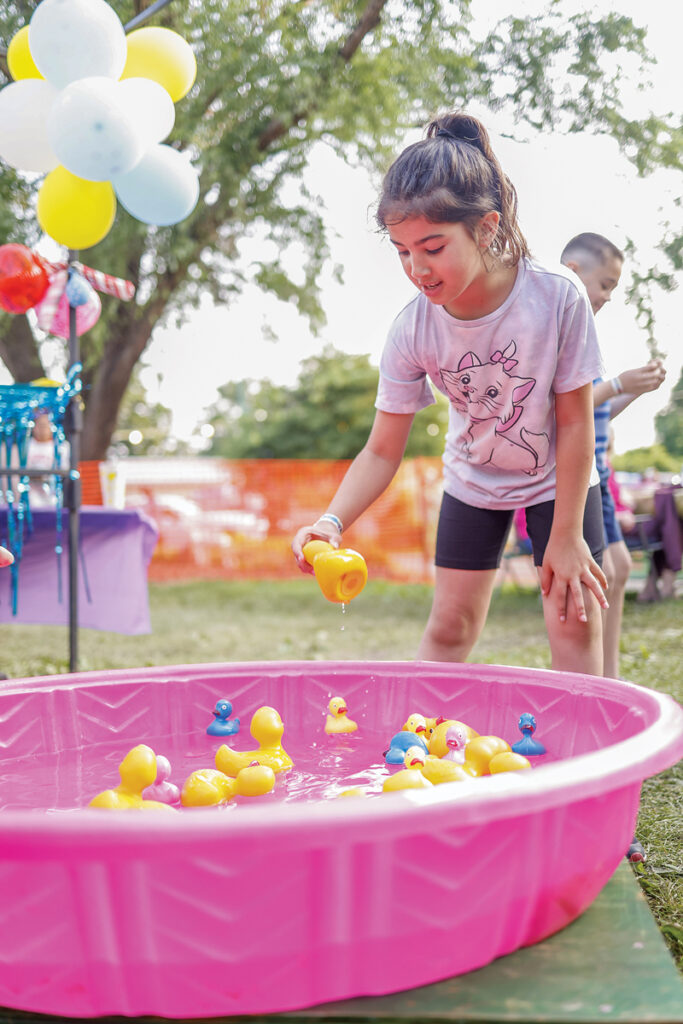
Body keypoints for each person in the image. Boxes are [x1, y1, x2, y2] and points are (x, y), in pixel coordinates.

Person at [292, 110, 609, 675]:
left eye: (433, 247)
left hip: (557, 481)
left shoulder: (558, 298)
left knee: (573, 623)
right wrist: (332, 522)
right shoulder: (412, 329)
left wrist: (564, 534)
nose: (417, 267)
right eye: (402, 250)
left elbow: (575, 423)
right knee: (449, 627)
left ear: (486, 228)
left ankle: (590, 760)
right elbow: (382, 450)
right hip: (474, 482)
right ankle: (417, 749)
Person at [560, 232, 666, 676]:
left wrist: (633, 391)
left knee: (618, 568)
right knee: (609, 571)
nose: (607, 296)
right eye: (605, 284)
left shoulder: (588, 337)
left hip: (599, 473)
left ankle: (610, 671)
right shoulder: (561, 330)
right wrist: (619, 383)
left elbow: (597, 408)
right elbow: (567, 407)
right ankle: (604, 673)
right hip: (579, 477)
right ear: (574, 272)